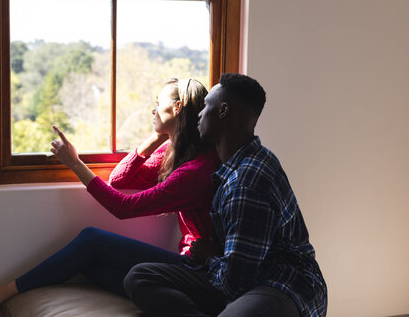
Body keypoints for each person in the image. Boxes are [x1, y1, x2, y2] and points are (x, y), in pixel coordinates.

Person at [0, 78, 220, 317]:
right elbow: (120, 179)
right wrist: (159, 136)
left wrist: (75, 164)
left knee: (91, 240)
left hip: (195, 270)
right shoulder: (177, 155)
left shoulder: (197, 170)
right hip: (185, 264)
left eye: (158, 104)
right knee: (90, 265)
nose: (153, 110)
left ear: (177, 107)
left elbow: (122, 207)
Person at [124, 74, 328, 317]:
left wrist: (210, 257)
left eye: (206, 106)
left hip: (281, 284)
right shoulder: (234, 164)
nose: (199, 114)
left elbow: (234, 283)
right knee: (140, 276)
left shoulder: (247, 181)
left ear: (222, 112)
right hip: (241, 279)